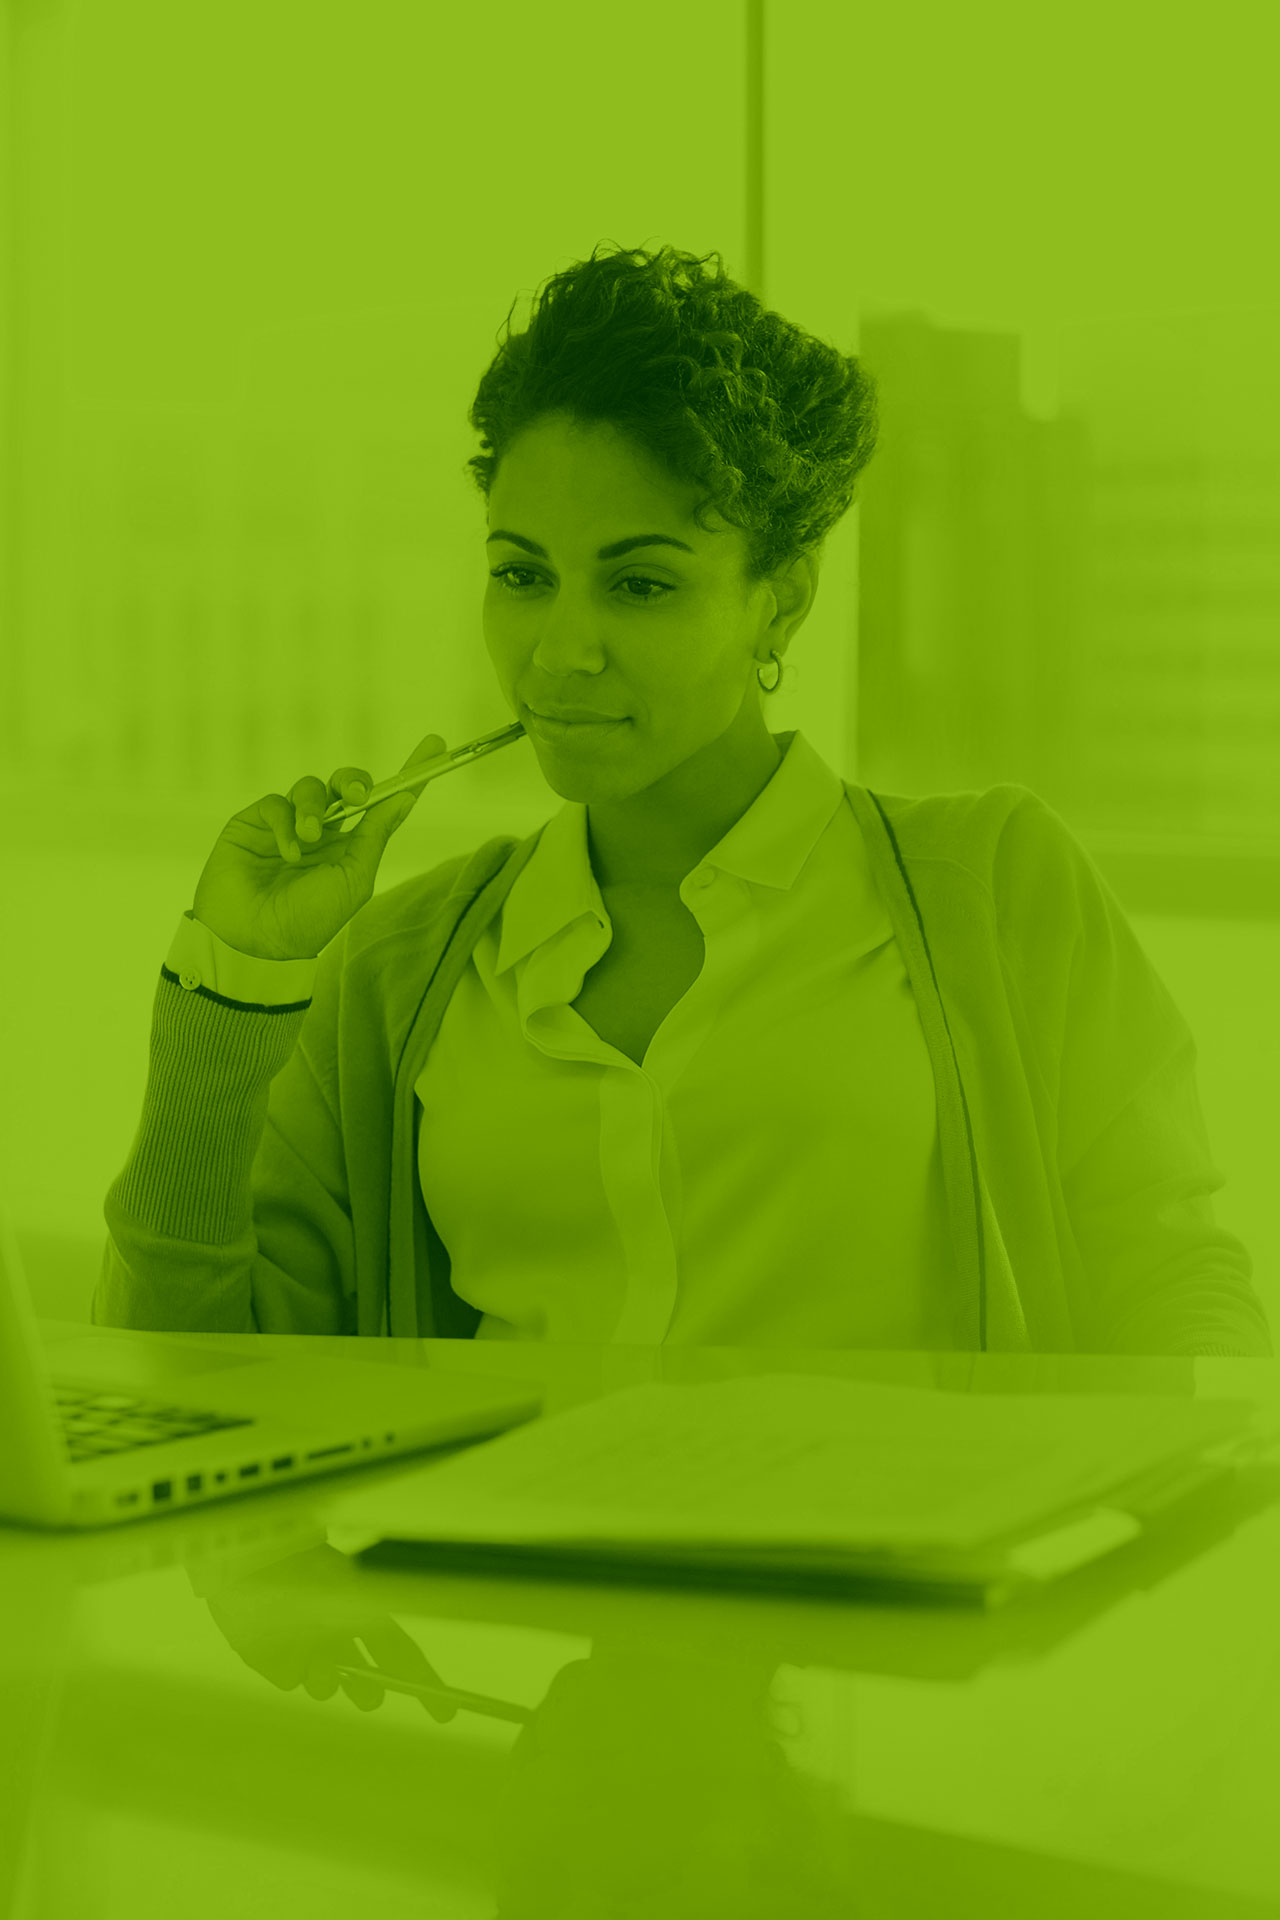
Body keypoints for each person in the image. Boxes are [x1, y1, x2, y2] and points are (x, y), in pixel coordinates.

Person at [94, 243, 1272, 1356]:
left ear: (780, 599)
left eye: (640, 585)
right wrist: (235, 982)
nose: (559, 652)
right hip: (506, 1520)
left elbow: (1172, 1279)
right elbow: (192, 1369)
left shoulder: (996, 886)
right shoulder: (399, 975)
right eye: (521, 574)